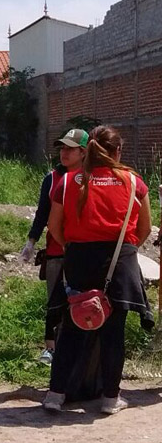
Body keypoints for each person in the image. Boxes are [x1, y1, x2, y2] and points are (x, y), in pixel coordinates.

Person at [43, 125, 153, 415]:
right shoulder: (133, 182)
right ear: (118, 151)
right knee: (113, 334)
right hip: (119, 264)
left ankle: (55, 394)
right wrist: (124, 252)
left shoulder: (67, 182)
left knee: (71, 329)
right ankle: (110, 399)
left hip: (79, 261)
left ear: (89, 148)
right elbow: (144, 229)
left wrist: (74, 248)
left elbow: (54, 227)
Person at [19, 128, 87, 365]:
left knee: (83, 301)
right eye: (62, 148)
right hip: (57, 251)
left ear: (83, 152)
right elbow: (43, 213)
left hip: (85, 252)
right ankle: (51, 347)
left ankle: (79, 348)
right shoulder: (52, 179)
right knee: (54, 302)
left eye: (70, 149)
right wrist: (31, 241)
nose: (64, 153)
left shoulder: (93, 178)